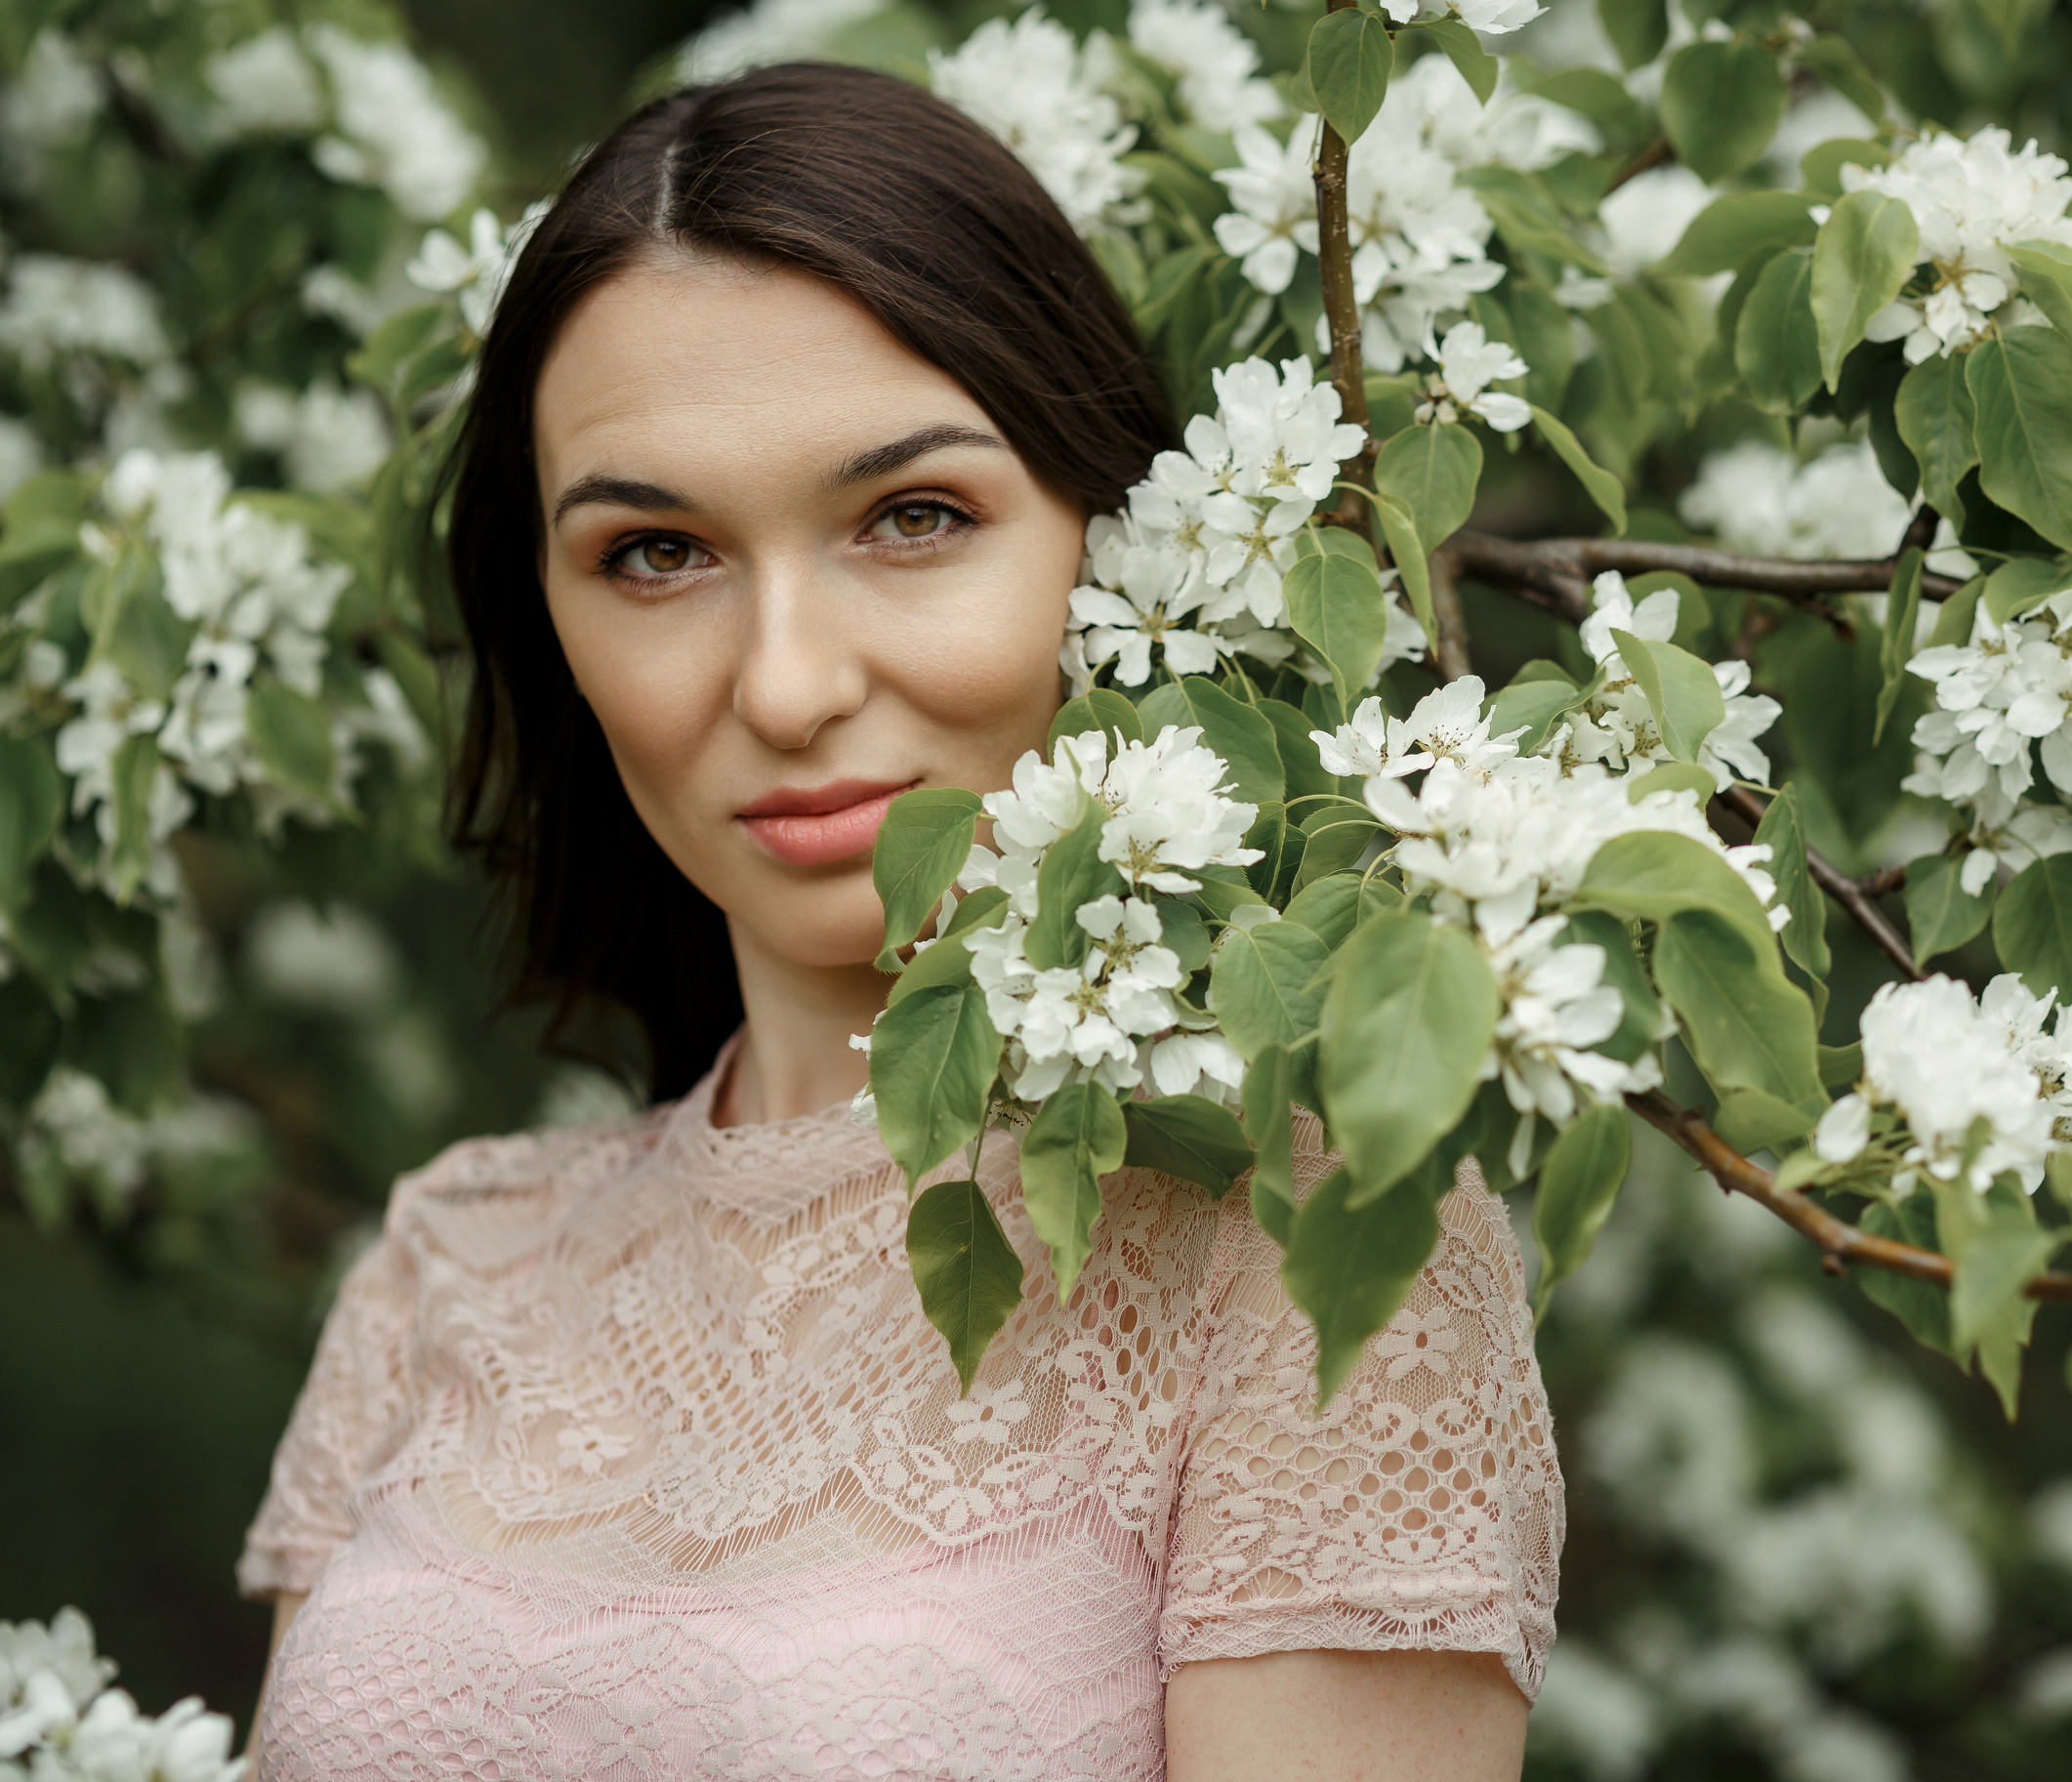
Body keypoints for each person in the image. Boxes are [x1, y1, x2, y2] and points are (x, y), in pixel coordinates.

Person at [236, 61, 1559, 1781]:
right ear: (549, 619)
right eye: (655, 552)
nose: (786, 686)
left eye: (912, 518)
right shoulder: (448, 1269)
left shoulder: (1313, 1244)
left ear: (1121, 540)